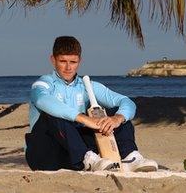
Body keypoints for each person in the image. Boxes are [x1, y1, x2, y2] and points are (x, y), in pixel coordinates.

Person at [25, 36, 158, 172]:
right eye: (62, 61)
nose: (68, 67)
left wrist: (116, 119)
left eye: (73, 62)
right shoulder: (43, 83)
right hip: (44, 153)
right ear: (53, 60)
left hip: (73, 154)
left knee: (118, 112)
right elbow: (42, 100)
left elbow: (126, 102)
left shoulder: (87, 85)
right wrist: (84, 119)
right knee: (53, 113)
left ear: (79, 61)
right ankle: (88, 159)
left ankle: (130, 157)